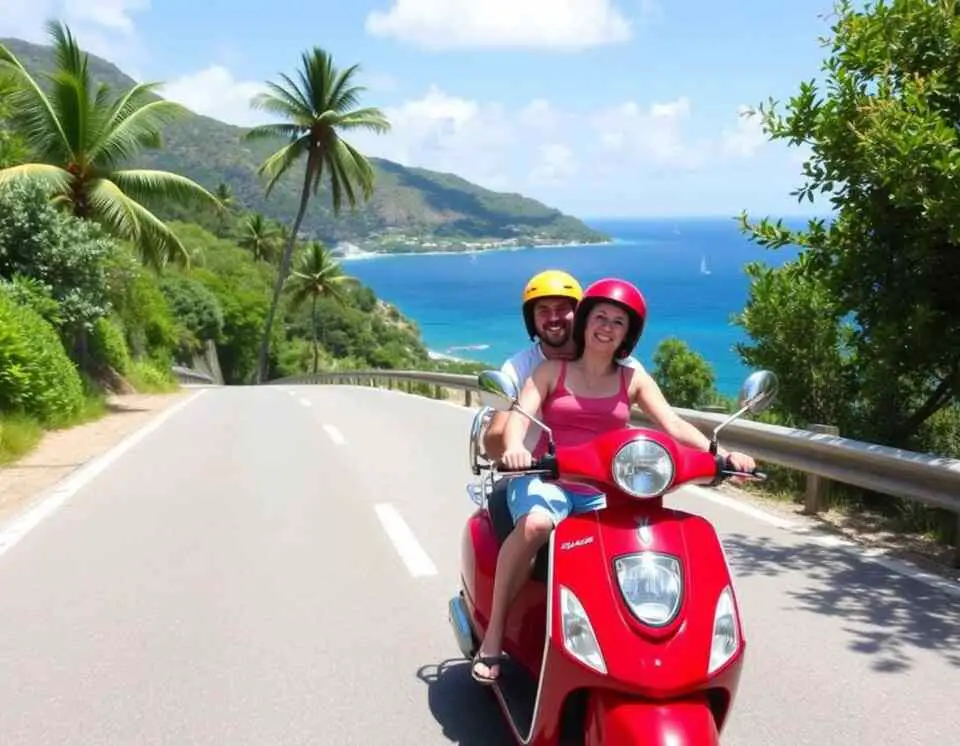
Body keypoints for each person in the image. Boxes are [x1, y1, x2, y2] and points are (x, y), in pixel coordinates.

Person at [471, 277, 757, 684]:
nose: (606, 326)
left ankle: (630, 646)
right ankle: (494, 636)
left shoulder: (633, 377)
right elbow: (518, 420)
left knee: (644, 544)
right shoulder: (549, 369)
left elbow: (672, 423)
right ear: (585, 322)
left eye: (617, 322)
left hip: (607, 486)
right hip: (548, 479)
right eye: (600, 317)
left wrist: (721, 456)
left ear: (628, 333)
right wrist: (516, 447)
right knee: (536, 524)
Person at [482, 269, 639, 460]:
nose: (553, 317)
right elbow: (494, 441)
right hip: (535, 470)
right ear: (531, 318)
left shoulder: (618, 364)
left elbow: (669, 422)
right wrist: (515, 447)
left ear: (579, 314)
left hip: (607, 472)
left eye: (562, 308)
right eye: (543, 310)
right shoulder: (519, 367)